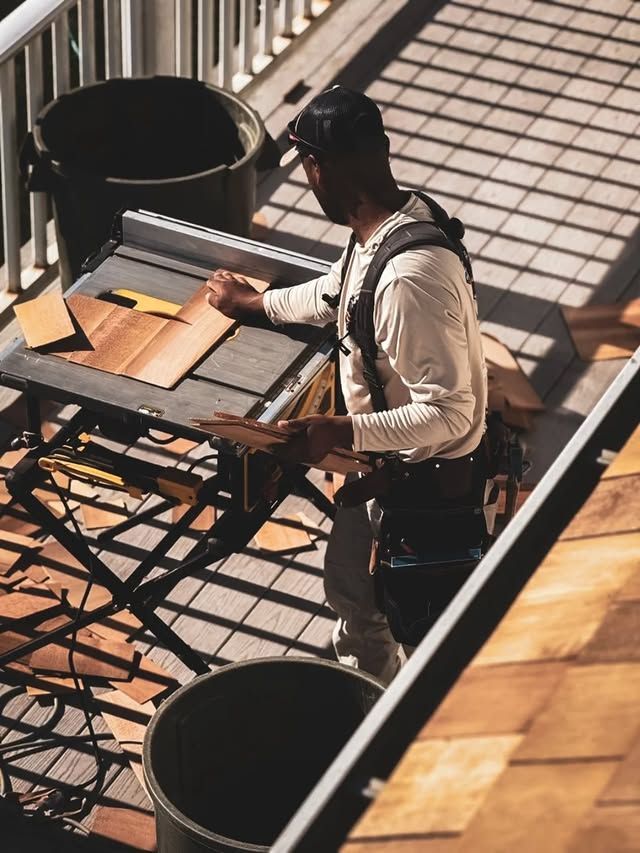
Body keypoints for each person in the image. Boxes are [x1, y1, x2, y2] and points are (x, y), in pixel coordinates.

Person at [206, 86, 487, 685]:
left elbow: (451, 413)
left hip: (426, 488)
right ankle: (373, 697)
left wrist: (342, 427)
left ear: (318, 167)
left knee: (398, 617)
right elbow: (339, 291)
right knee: (354, 596)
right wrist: (257, 304)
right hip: (394, 470)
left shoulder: (408, 281)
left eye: (308, 169)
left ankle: (377, 727)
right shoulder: (392, 221)